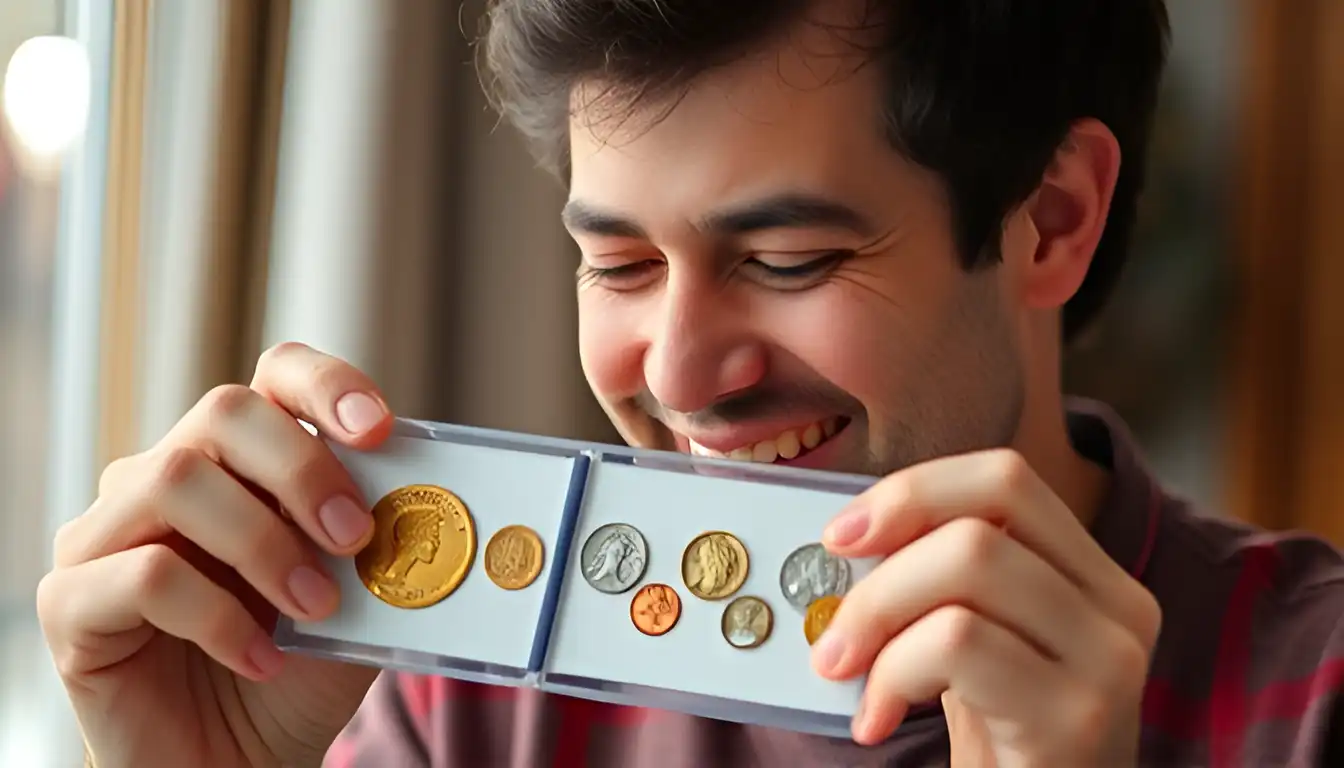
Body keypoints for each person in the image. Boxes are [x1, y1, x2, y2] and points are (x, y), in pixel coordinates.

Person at [37, 0, 1344, 766]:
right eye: (616, 262)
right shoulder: (468, 703)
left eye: (787, 259)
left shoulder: (1314, 691)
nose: (673, 374)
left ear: (1052, 219)